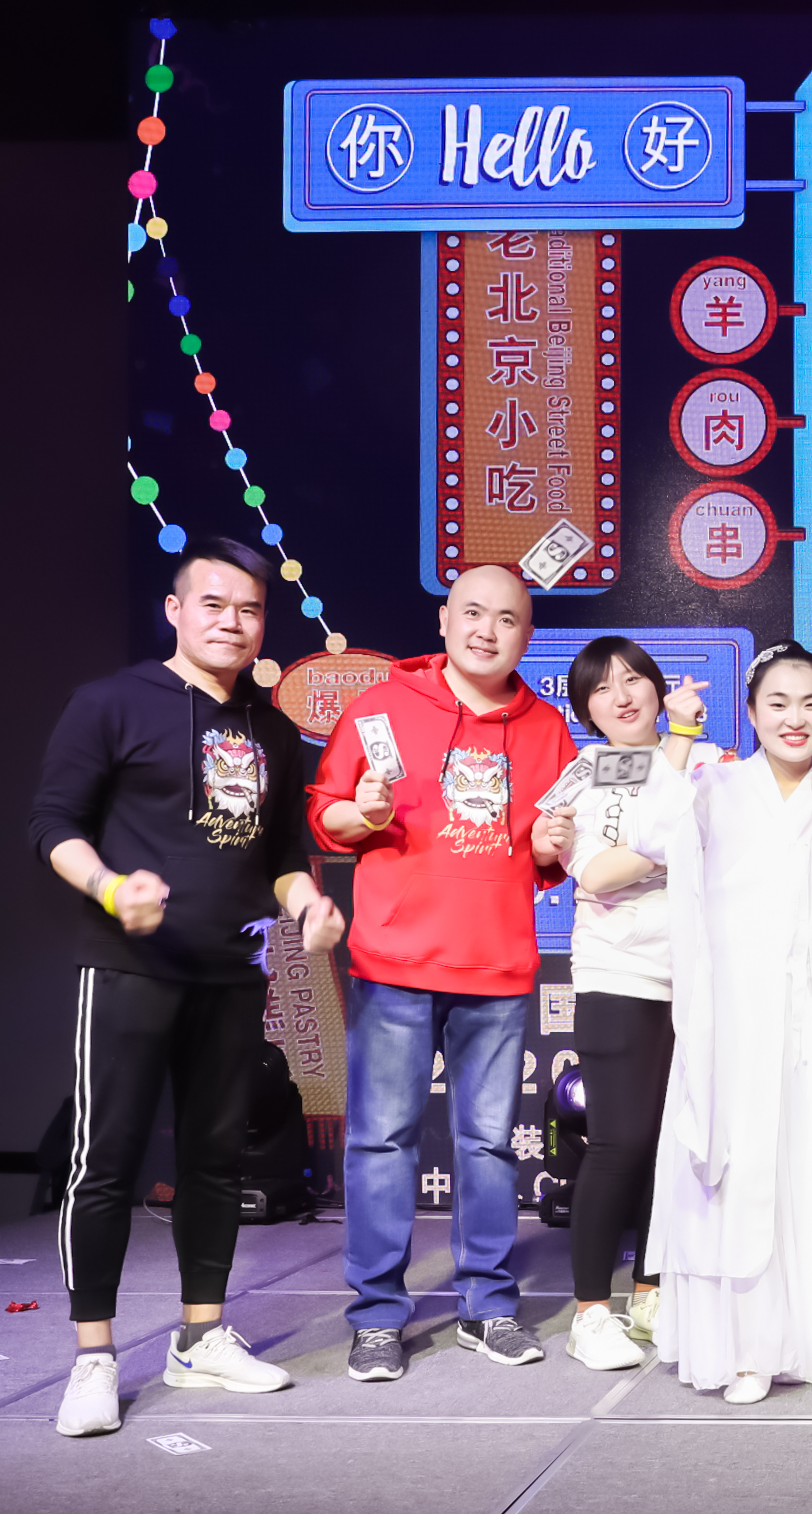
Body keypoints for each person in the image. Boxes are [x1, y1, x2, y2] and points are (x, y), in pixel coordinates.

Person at [32, 538, 346, 1437]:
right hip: (130, 967)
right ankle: (94, 1357)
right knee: (105, 1161)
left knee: (216, 1162)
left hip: (232, 972)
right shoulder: (111, 702)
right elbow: (51, 822)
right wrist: (109, 888)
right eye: (213, 604)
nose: (232, 622)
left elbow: (282, 853)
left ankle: (200, 1336)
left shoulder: (272, 730)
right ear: (175, 610)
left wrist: (307, 905)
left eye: (249, 609)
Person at [309, 564, 580, 1383]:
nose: (486, 630)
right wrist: (363, 812)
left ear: (527, 636)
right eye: (472, 612)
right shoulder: (382, 708)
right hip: (393, 961)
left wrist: (552, 848)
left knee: (488, 1145)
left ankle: (487, 1306)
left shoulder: (546, 729)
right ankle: (377, 1316)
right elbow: (325, 814)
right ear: (443, 620)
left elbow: (549, 851)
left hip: (496, 965)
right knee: (380, 1140)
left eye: (507, 618)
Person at [635, 643, 812, 1403]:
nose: (794, 718)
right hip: (731, 1021)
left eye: (810, 703)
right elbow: (648, 834)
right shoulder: (713, 787)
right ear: (750, 712)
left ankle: (810, 1341)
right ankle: (744, 1349)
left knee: (811, 1168)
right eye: (777, 703)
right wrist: (678, 735)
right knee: (737, 1168)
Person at [543, 637, 708, 1371]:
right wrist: (677, 843)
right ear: (586, 709)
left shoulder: (708, 760)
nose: (623, 694)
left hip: (700, 978)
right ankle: (589, 1312)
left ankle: (650, 1292)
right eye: (603, 687)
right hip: (619, 973)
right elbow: (598, 873)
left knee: (672, 1146)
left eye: (635, 678)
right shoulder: (586, 773)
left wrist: (685, 749)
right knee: (620, 1142)